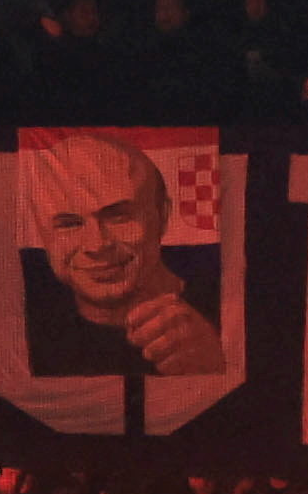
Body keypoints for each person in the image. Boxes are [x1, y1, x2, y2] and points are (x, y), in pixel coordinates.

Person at [23, 130, 226, 376]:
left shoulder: (225, 303)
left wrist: (216, 365)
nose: (96, 245)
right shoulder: (24, 330)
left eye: (118, 216)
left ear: (162, 216)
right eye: (69, 223)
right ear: (42, 232)